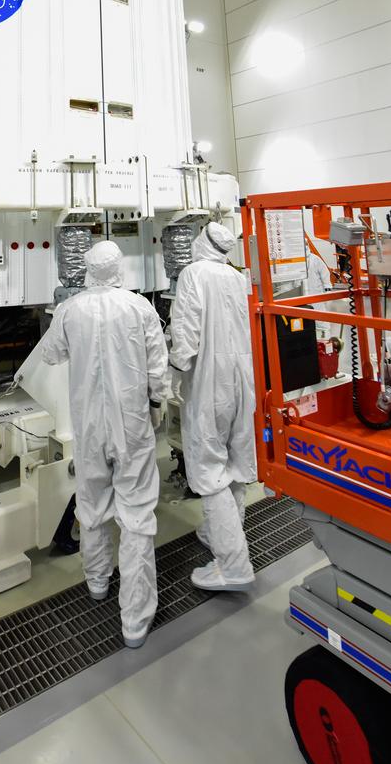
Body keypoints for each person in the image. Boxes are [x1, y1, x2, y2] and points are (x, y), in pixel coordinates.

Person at [41, 240, 168, 649]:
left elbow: (51, 355)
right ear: (120, 269)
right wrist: (157, 403)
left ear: (87, 270)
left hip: (89, 426)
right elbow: (157, 366)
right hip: (131, 425)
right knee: (136, 515)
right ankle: (134, 619)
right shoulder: (139, 308)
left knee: (92, 506)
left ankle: (97, 583)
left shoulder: (70, 309)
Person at [169, 222, 256, 593]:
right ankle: (220, 532)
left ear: (200, 242)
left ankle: (233, 564)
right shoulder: (237, 277)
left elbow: (186, 336)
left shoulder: (193, 274)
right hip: (243, 379)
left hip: (210, 383)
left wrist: (171, 371)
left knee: (208, 469)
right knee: (235, 461)